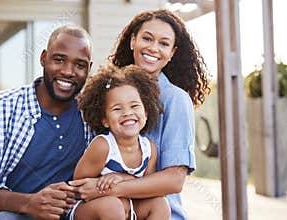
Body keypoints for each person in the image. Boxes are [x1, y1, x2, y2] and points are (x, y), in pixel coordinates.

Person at [69, 9, 211, 220]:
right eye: (147, 38)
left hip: (157, 212)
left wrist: (108, 188)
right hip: (107, 210)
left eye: (164, 43)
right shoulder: (110, 91)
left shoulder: (175, 100)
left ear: (172, 52)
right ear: (133, 41)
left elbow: (174, 180)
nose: (153, 48)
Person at [0, 24, 93, 220]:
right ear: (43, 58)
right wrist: (29, 203)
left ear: (89, 68)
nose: (68, 71)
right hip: (7, 212)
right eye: (59, 60)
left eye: (79, 65)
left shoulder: (93, 116)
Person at [70, 64, 170, 220]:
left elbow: (148, 187)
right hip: (89, 210)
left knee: (160, 204)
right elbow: (79, 185)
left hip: (127, 208)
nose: (127, 113)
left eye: (135, 106)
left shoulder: (149, 149)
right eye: (117, 109)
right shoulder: (103, 146)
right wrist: (105, 185)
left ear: (146, 112)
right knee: (112, 206)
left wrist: (122, 178)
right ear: (105, 120)